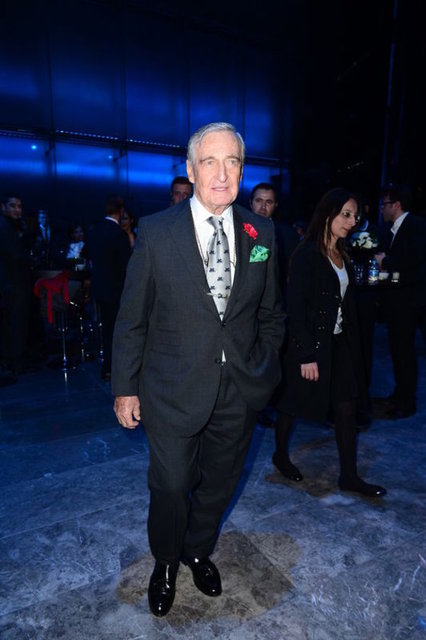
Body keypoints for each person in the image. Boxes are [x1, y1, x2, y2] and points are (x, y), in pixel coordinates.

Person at [112, 122, 285, 617]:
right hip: (171, 388)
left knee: (220, 482)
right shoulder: (156, 232)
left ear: (242, 171)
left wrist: (264, 367)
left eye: (232, 162)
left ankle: (196, 551)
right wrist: (125, 387)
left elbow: (272, 313)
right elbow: (132, 318)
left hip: (239, 388)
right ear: (191, 170)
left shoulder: (261, 232)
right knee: (171, 484)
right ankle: (166, 560)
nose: (222, 174)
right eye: (210, 162)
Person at [273, 188, 386, 497]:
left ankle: (349, 476)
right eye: (346, 215)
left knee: (346, 407)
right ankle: (280, 454)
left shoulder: (342, 252)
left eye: (355, 217)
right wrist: (306, 355)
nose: (352, 222)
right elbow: (296, 309)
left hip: (339, 344)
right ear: (327, 214)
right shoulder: (307, 254)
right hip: (309, 345)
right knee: (292, 403)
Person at [373, 185, 426, 419]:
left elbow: (416, 265)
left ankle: (406, 402)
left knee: (404, 352)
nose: (381, 209)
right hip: (399, 303)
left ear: (396, 205)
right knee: (398, 351)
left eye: (384, 204)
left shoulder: (416, 226)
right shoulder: (393, 229)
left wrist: (386, 263)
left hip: (410, 303)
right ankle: (399, 395)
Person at [87, 195, 131, 381]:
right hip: (116, 290)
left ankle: (107, 367)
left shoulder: (94, 231)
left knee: (106, 329)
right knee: (117, 331)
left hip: (99, 288)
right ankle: (114, 368)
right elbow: (126, 266)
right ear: (120, 211)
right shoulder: (119, 235)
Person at [0, 193, 33, 377]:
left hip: (12, 283)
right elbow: (14, 256)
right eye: (13, 206)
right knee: (15, 323)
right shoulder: (5, 227)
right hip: (12, 283)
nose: (17, 210)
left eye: (19, 206)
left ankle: (13, 362)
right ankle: (16, 363)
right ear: (3, 207)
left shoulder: (14, 226)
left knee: (13, 323)